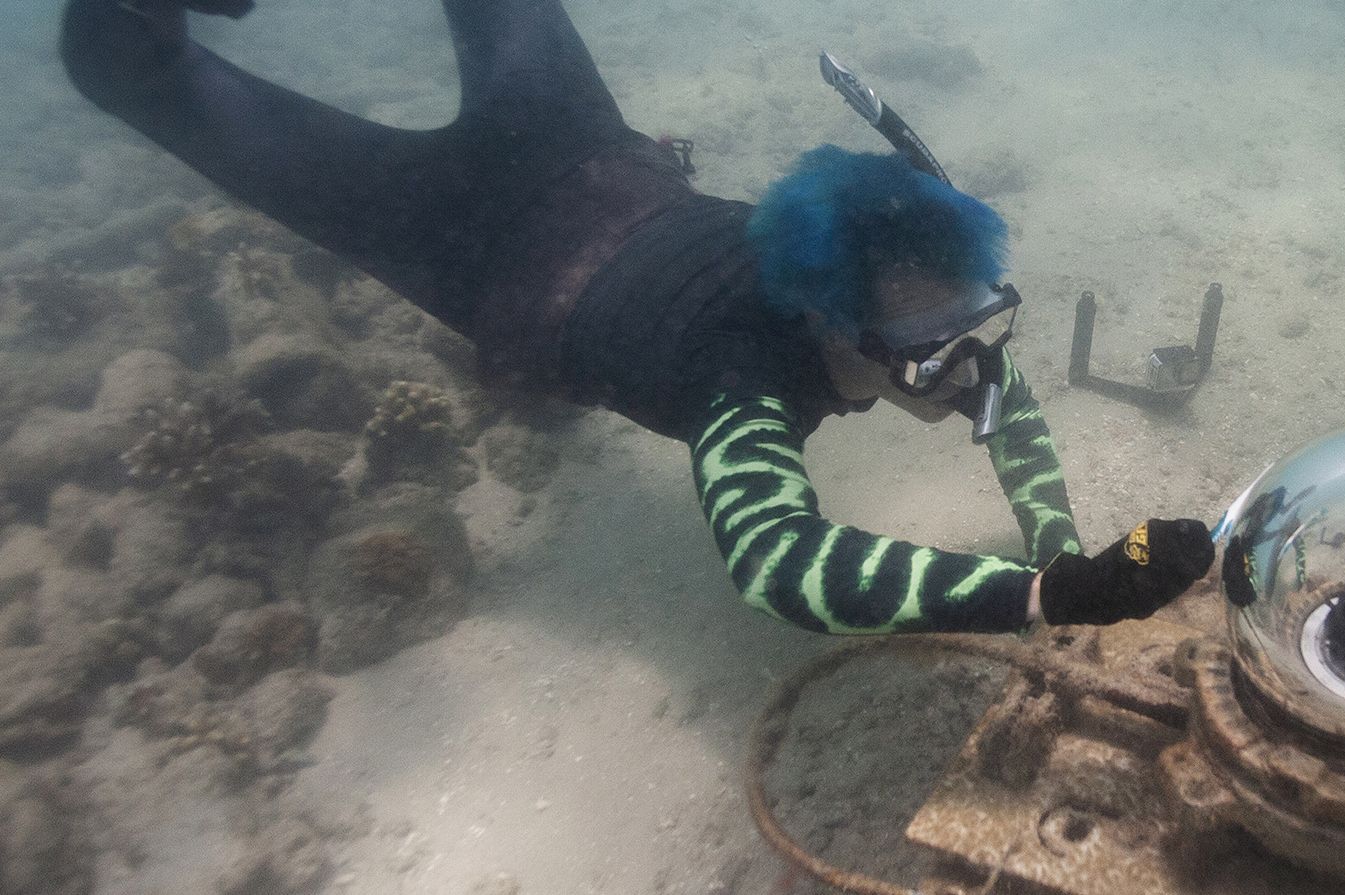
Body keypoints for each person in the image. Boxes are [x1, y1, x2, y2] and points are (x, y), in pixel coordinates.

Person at [60, 0, 1216, 634]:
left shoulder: (892, 298)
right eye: (930, 356)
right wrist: (1041, 596)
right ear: (826, 327)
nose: (967, 371)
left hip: (591, 154)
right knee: (137, 71)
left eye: (981, 324)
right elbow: (780, 564)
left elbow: (995, 399)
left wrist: (1066, 554)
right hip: (478, 245)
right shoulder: (744, 378)